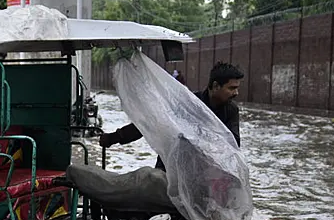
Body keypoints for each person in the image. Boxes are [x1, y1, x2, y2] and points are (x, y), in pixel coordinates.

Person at [99, 61, 244, 169]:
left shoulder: (231, 110)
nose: (236, 93)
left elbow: (232, 144)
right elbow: (152, 122)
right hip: (173, 165)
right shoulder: (188, 104)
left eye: (237, 88)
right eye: (232, 88)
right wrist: (115, 137)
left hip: (205, 171)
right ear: (215, 86)